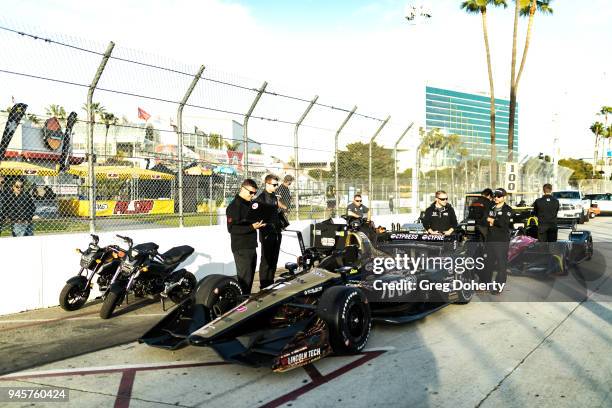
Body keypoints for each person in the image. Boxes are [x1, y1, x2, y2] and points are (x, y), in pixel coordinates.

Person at [226, 179, 266, 294]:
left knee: (250, 278)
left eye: (255, 193)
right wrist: (252, 227)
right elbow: (232, 229)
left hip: (251, 245)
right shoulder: (234, 206)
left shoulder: (249, 204)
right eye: (251, 193)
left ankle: (246, 301)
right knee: (244, 280)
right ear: (243, 189)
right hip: (241, 248)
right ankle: (242, 305)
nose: (253, 196)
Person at [255, 174, 284, 289]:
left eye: (277, 184)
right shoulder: (260, 198)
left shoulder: (273, 197)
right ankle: (264, 284)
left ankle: (270, 282)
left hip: (276, 232)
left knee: (274, 259)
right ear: (267, 184)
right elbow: (257, 217)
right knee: (266, 260)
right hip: (267, 233)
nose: (276, 187)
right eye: (274, 184)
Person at [485, 188, 513, 293]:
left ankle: (498, 287)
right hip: (490, 239)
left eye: (498, 196)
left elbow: (503, 223)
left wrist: (491, 220)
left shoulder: (508, 209)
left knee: (501, 265)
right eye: (494, 196)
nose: (496, 198)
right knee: (488, 263)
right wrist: (492, 221)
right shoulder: (491, 207)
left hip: (501, 241)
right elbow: (484, 218)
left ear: (504, 197)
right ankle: (486, 284)